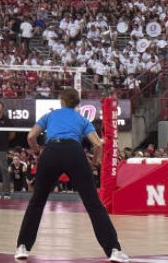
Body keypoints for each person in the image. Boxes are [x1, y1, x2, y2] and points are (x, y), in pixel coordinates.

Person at [14, 88, 128, 262]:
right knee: (93, 204)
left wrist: (37, 152)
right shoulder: (82, 119)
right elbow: (97, 144)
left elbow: (31, 136)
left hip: (51, 151)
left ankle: (22, 247)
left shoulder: (50, 116)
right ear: (77, 103)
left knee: (37, 201)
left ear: (61, 100)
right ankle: (114, 250)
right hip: (74, 153)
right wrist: (94, 162)